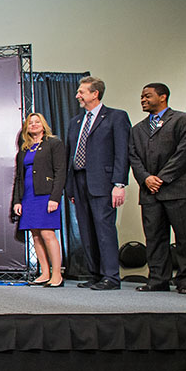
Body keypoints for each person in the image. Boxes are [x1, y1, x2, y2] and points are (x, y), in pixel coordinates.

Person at [128, 83, 186, 294]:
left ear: (163, 97)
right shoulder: (137, 129)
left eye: (147, 96)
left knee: (185, 238)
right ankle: (158, 279)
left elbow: (185, 152)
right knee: (155, 238)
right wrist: (146, 178)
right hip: (150, 192)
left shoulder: (183, 120)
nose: (143, 100)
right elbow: (133, 157)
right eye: (141, 96)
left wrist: (162, 178)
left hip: (178, 189)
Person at [65, 76, 131, 290]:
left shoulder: (116, 117)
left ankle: (110, 277)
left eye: (82, 92)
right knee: (86, 230)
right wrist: (71, 188)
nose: (78, 96)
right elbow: (70, 157)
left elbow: (122, 153)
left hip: (103, 183)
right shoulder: (75, 122)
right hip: (80, 181)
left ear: (95, 94)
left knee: (104, 230)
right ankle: (94, 274)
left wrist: (119, 184)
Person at [12, 112, 67, 288]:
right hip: (28, 196)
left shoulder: (54, 143)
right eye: (30, 123)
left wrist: (55, 197)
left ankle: (57, 274)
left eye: (37, 122)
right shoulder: (24, 149)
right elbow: (19, 178)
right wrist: (17, 201)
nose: (34, 125)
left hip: (46, 195)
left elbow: (60, 172)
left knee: (47, 234)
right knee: (35, 235)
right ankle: (44, 273)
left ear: (43, 125)